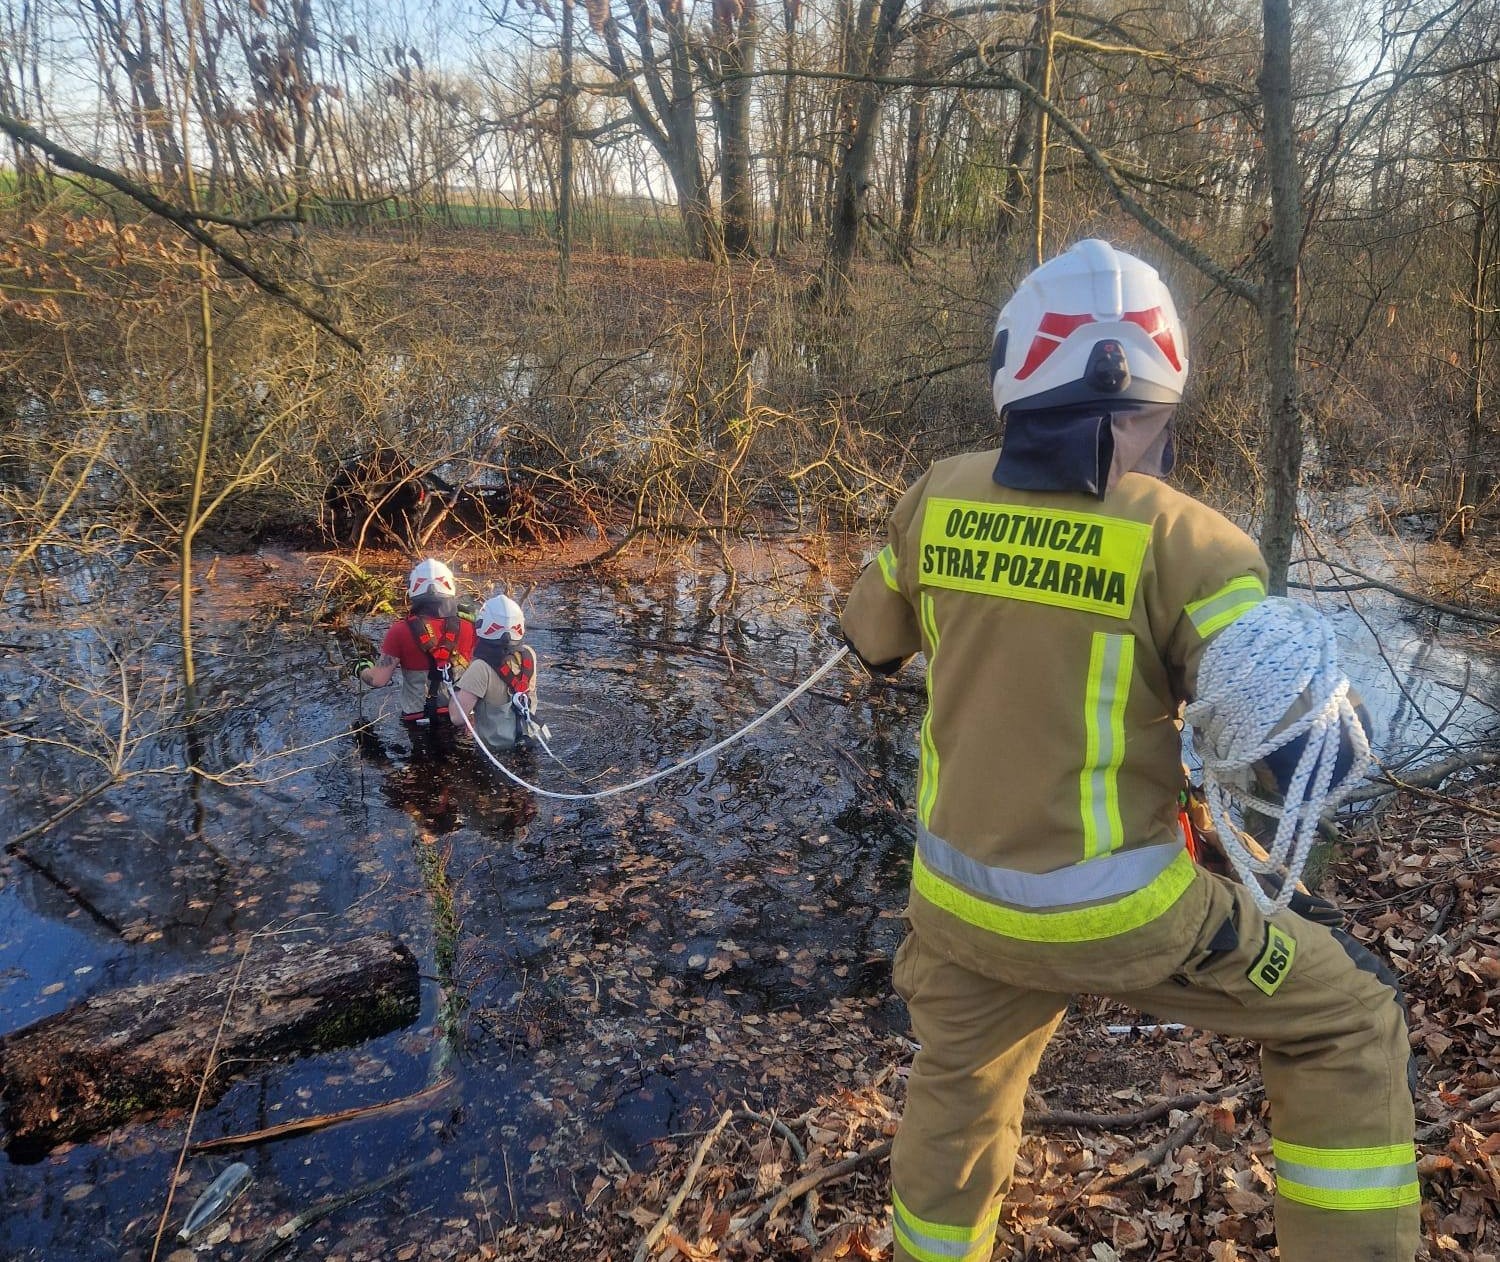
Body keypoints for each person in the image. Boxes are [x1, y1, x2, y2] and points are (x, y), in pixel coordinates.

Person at [840, 240, 1418, 1262]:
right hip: (1129, 912)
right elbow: (1298, 750)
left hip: (961, 907)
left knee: (956, 1092)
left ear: (1016, 376)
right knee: (1351, 1012)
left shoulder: (937, 495)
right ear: (1152, 397)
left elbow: (870, 638)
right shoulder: (1193, 540)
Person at [354, 558, 477, 730]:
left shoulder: (400, 631)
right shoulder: (470, 626)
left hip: (417, 720)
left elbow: (378, 680)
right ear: (450, 586)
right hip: (461, 717)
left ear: (413, 589)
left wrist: (360, 668)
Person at [449, 592, 541, 750]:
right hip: (528, 742)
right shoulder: (528, 655)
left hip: (496, 751)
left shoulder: (480, 668)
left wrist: (457, 690)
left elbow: (457, 717)